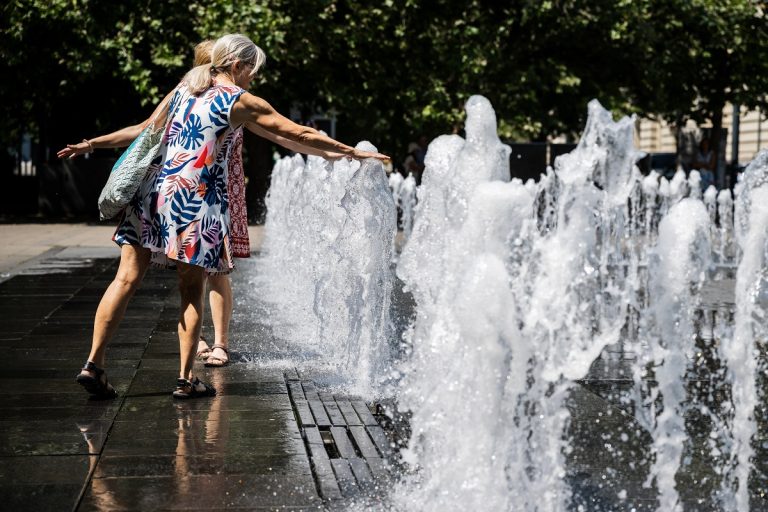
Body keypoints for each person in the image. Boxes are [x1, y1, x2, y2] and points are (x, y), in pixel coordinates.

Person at [57, 33, 389, 400]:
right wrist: (351, 153)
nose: (254, 78)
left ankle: (93, 364)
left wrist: (91, 143)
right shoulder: (238, 99)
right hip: (195, 201)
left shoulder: (187, 86)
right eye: (253, 70)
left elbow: (144, 130)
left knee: (124, 280)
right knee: (191, 288)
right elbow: (298, 131)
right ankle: (185, 379)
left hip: (152, 194)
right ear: (237, 64)